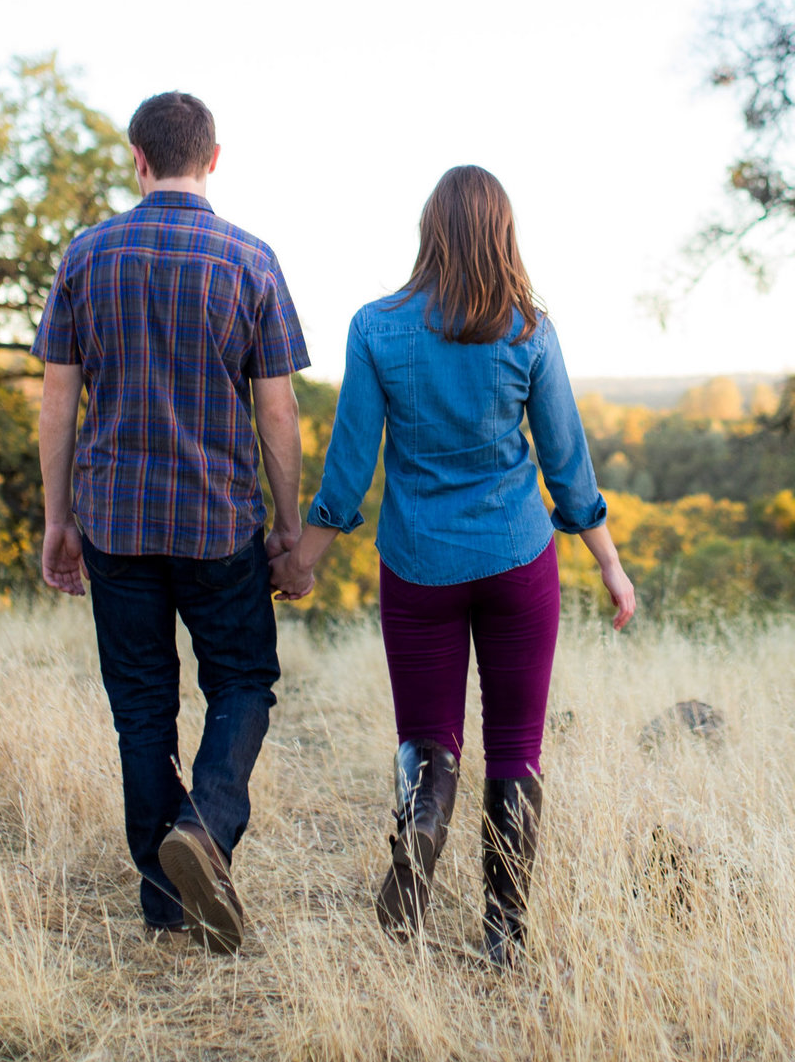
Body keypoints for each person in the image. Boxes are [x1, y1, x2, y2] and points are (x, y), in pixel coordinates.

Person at [272, 165, 637, 965]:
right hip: (517, 561)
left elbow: (350, 463)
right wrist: (608, 561)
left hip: (419, 565)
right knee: (515, 748)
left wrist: (304, 557)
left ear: (428, 230)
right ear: (504, 233)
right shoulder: (530, 332)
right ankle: (504, 938)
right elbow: (567, 464)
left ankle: (421, 833)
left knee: (429, 739)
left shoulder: (376, 327)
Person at [35, 90, 308, 954]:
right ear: (214, 158)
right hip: (220, 524)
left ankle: (165, 901)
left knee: (142, 706)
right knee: (240, 684)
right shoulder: (250, 260)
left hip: (115, 522)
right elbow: (278, 411)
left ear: (137, 158)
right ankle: (208, 825)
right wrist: (290, 524)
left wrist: (58, 519)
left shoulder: (86, 257)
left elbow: (56, 402)